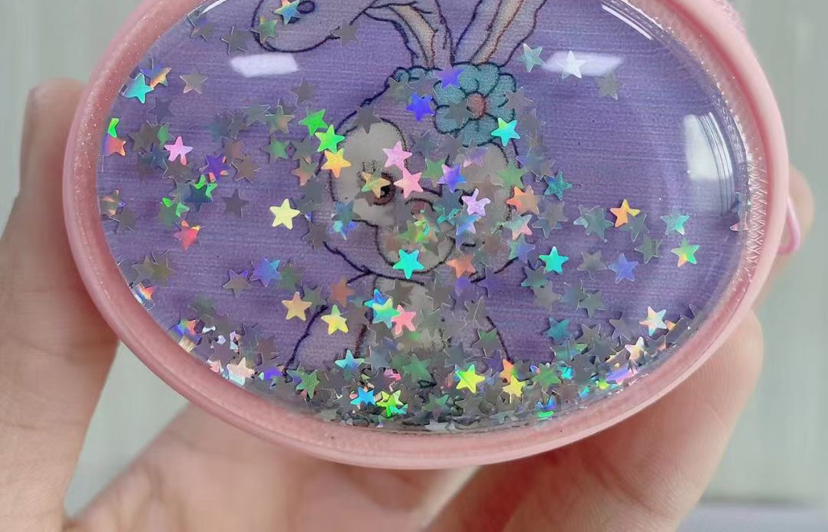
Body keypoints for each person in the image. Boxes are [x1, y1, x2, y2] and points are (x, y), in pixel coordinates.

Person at [0, 80, 814, 532]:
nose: (419, 219)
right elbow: (319, 353)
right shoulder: (353, 301)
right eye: (386, 191)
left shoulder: (467, 314)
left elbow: (489, 364)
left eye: (462, 200)